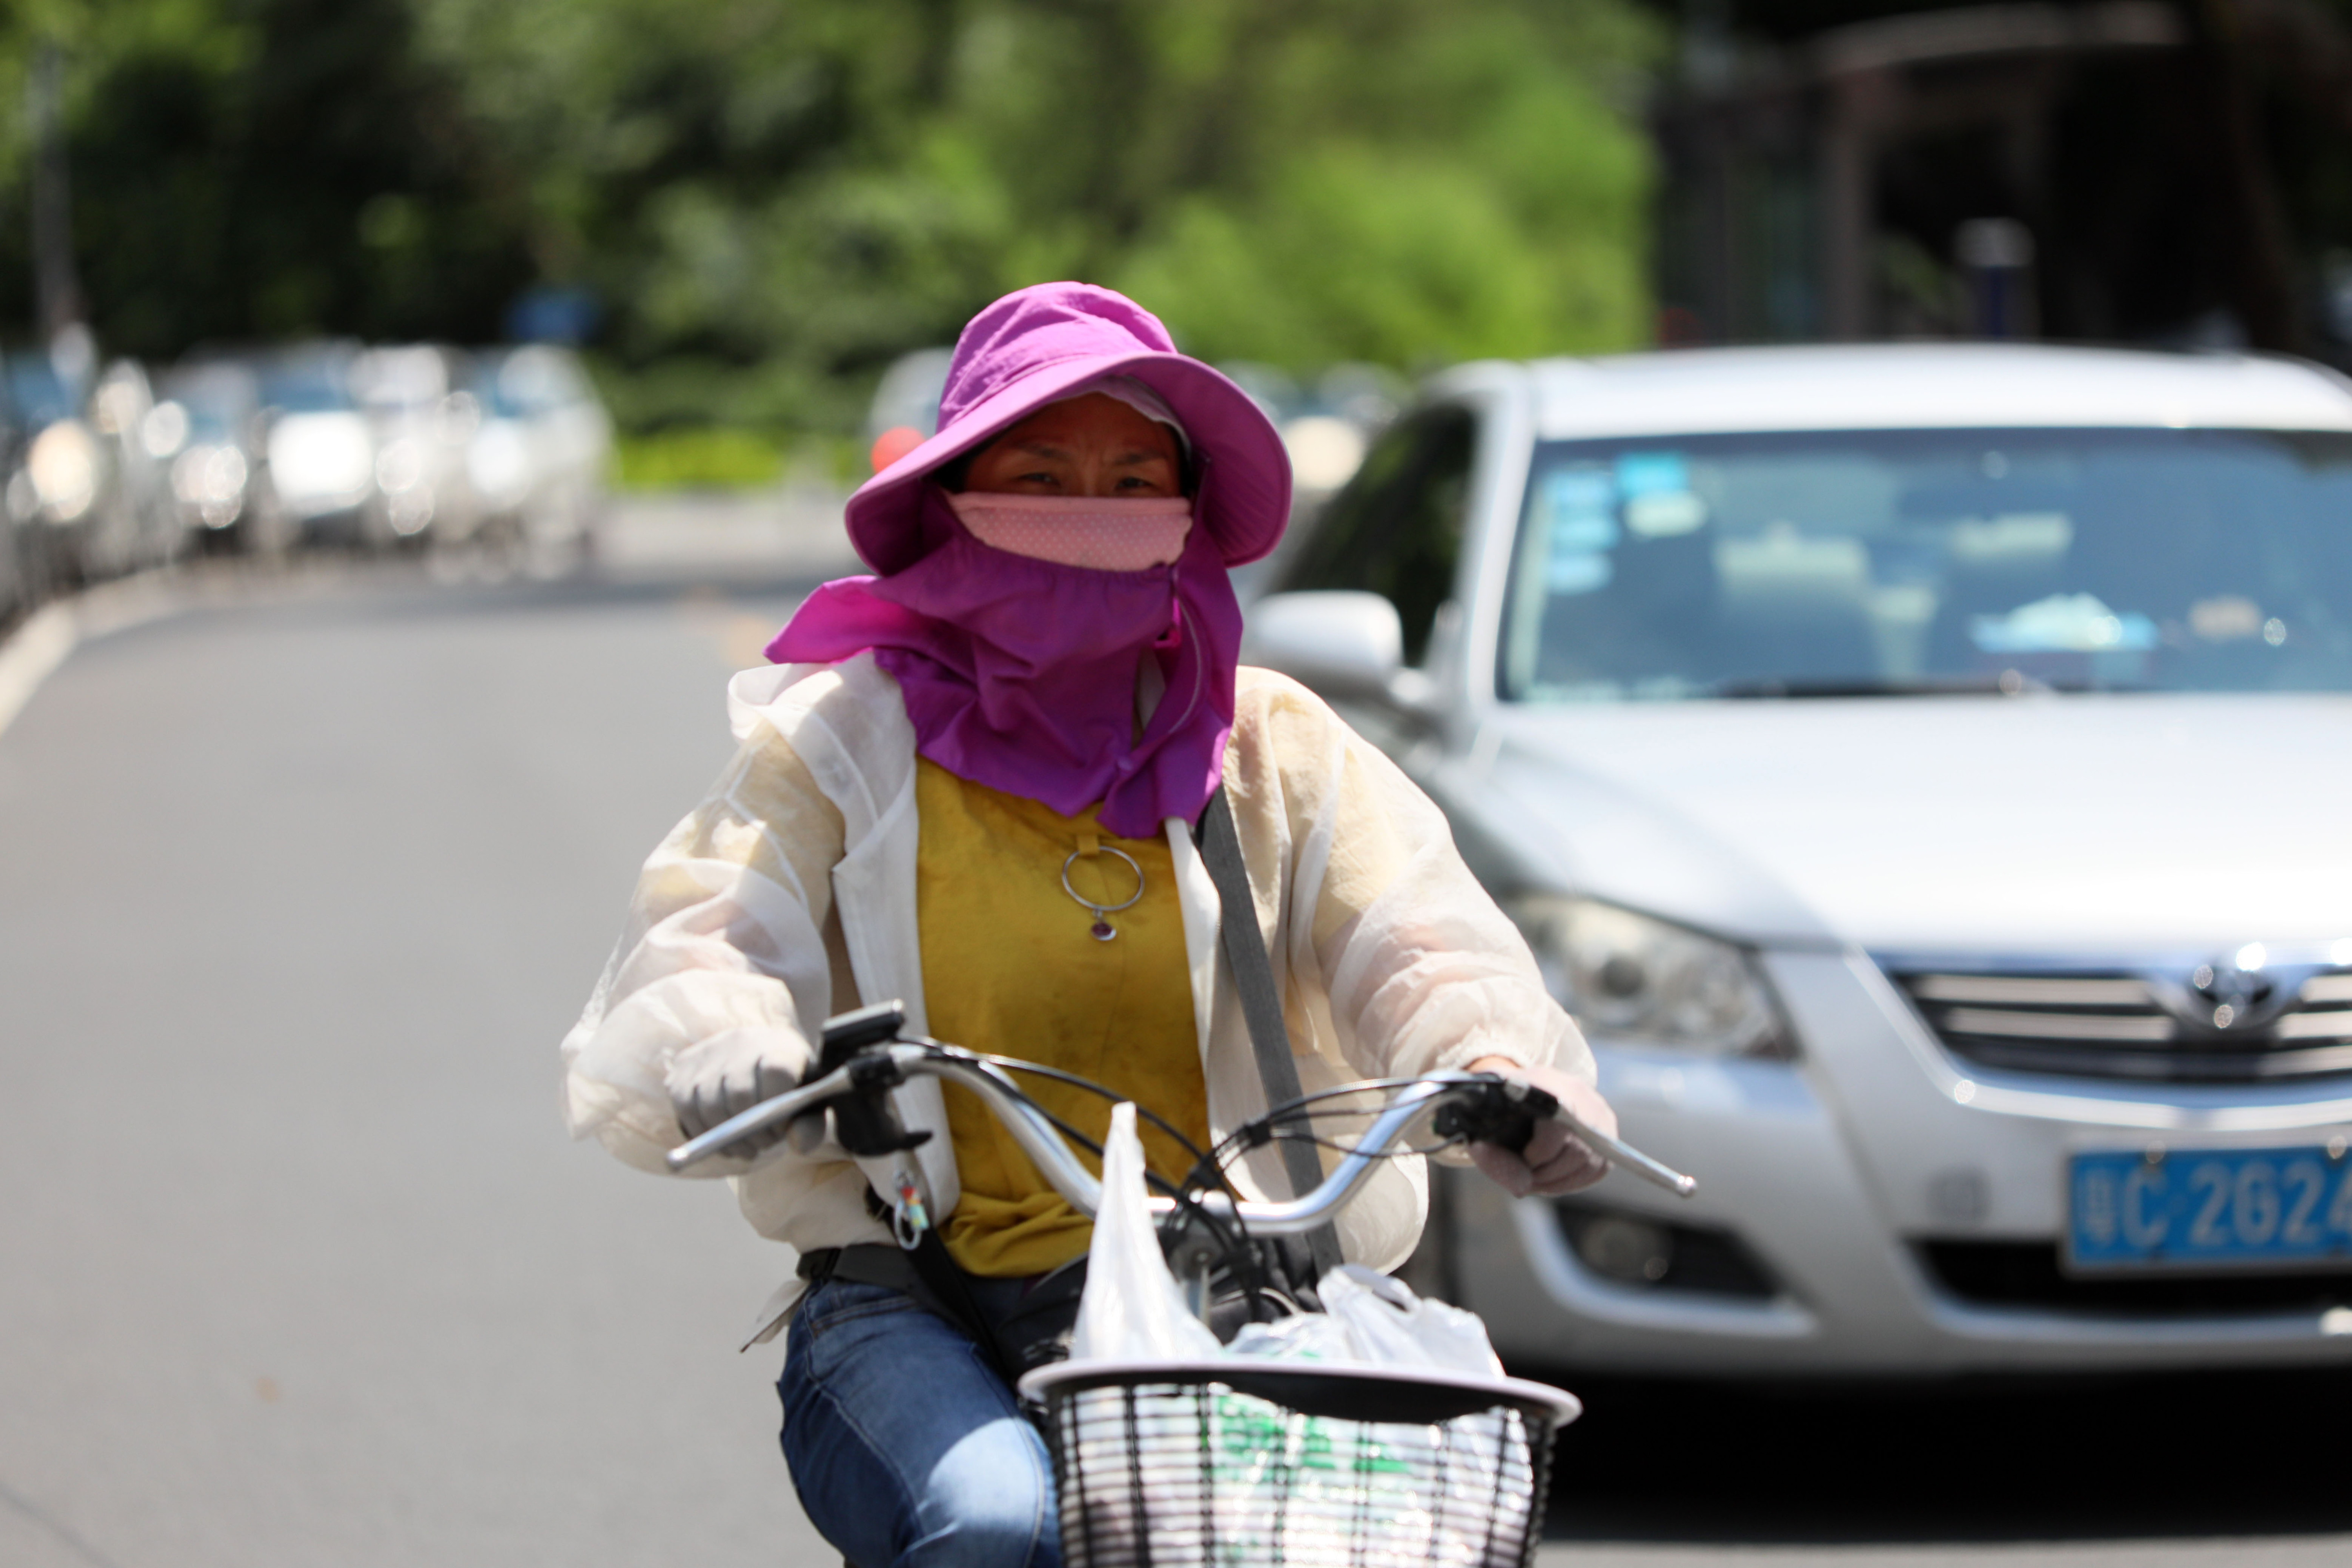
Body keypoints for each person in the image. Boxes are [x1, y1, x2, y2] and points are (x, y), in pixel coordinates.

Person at [560, 282, 1617, 1568]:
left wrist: (1503, 1068)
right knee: (1001, 1524)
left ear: (1185, 515)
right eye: (1042, 475)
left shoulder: (1270, 744)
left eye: (1132, 481)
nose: (1089, 515)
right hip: (921, 1305)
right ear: (953, 502)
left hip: (1231, 1301)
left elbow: (1415, 941)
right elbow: (708, 934)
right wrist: (732, 1049)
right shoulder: (842, 740)